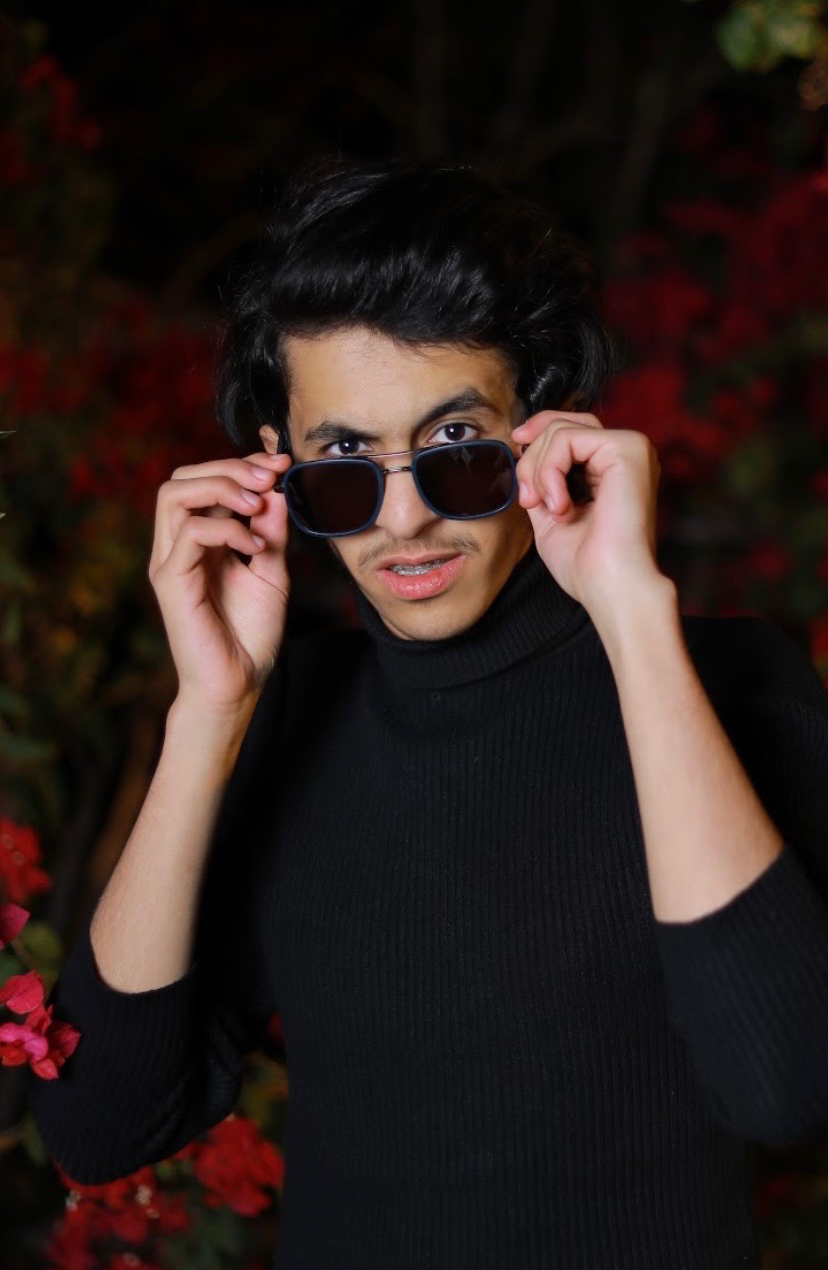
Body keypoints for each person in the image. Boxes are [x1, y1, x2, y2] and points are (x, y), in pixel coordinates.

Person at [28, 157, 828, 1269]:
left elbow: (785, 1086)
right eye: (345, 459)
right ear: (278, 470)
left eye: (454, 447)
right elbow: (99, 1125)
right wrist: (209, 711)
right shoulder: (289, 715)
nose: (403, 520)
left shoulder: (728, 684)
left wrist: (634, 617)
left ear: (542, 427)